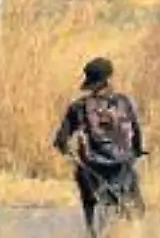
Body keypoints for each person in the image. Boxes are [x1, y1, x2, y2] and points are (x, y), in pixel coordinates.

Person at [52, 56, 147, 235]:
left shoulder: (78, 107)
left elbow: (60, 141)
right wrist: (135, 153)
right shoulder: (124, 102)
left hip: (91, 170)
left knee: (89, 197)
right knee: (134, 211)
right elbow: (137, 136)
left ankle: (91, 229)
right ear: (109, 79)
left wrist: (73, 156)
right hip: (122, 168)